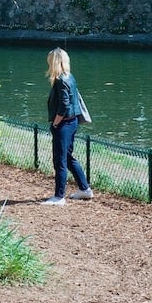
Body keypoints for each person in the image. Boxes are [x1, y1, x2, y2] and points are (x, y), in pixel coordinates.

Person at [43, 48, 93, 205]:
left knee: (60, 160)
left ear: (54, 62)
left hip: (64, 124)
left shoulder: (60, 80)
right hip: (72, 122)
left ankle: (59, 197)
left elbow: (64, 106)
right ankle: (85, 189)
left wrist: (56, 123)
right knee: (68, 158)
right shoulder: (69, 77)